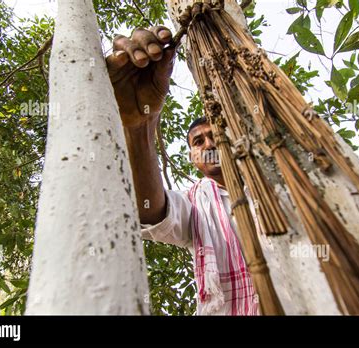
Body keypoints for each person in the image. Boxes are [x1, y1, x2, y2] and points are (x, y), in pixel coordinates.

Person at [106, 26, 259, 315]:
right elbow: (152, 212)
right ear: (192, 157)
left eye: (216, 134)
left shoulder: (274, 180)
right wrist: (139, 127)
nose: (209, 143)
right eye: (198, 141)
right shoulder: (194, 205)